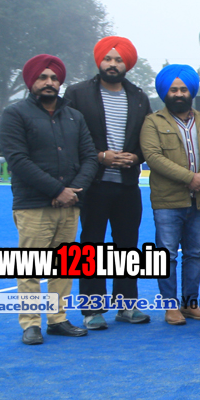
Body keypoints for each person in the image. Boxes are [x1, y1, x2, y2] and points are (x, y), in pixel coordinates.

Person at [4, 55, 97, 344]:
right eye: (43, 77)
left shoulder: (74, 117)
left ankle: (58, 319)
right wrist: (57, 191)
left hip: (70, 204)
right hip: (33, 204)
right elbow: (18, 160)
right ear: (31, 81)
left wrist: (73, 191)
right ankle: (31, 324)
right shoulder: (15, 114)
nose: (49, 82)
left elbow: (90, 157)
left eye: (54, 78)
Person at [64, 36, 153, 328]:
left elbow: (148, 139)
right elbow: (69, 137)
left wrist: (136, 157)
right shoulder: (77, 94)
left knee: (127, 245)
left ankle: (127, 306)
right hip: (93, 183)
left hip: (127, 184)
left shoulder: (138, 96)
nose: (112, 64)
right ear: (99, 61)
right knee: (91, 245)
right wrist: (101, 156)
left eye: (118, 60)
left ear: (127, 64)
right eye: (108, 59)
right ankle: (92, 310)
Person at [140, 64, 200, 326]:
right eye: (173, 89)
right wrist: (189, 178)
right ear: (165, 93)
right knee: (167, 254)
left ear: (191, 91)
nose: (178, 94)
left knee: (193, 253)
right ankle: (170, 307)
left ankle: (190, 304)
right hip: (168, 201)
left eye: (183, 89)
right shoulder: (153, 122)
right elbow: (153, 157)